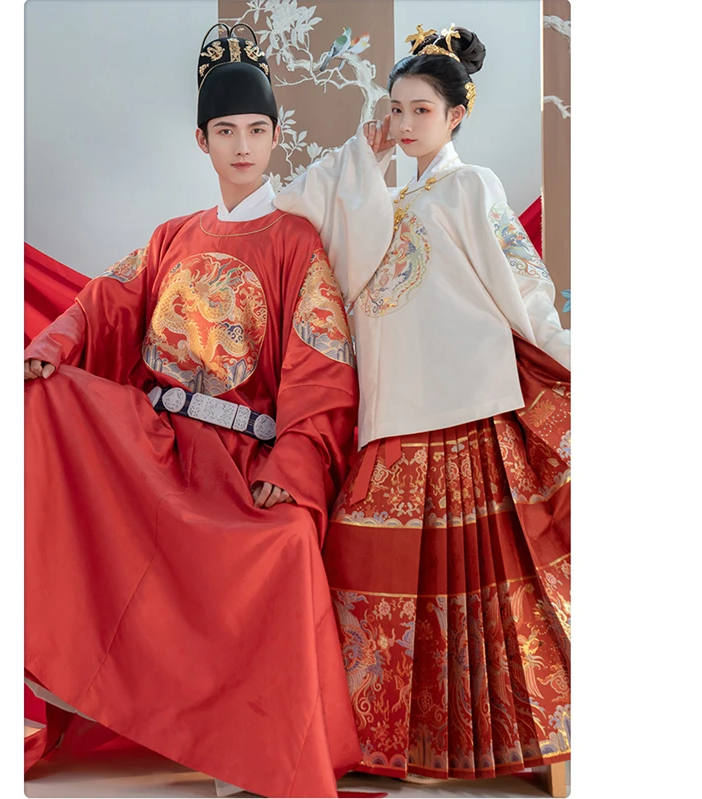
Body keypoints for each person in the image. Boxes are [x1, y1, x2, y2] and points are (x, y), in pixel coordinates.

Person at [23, 22, 362, 798]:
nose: (243, 146)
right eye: (226, 131)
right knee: (45, 402)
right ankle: (122, 691)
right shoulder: (171, 236)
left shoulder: (295, 242)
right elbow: (105, 302)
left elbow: (321, 365)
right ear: (202, 140)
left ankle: (251, 744)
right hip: (155, 443)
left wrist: (294, 463)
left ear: (275, 136)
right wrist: (56, 344)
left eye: (256, 130)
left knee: (284, 547)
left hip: (240, 460)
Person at [274, 23, 571, 783]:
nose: (405, 123)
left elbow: (522, 283)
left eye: (422, 111)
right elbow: (294, 211)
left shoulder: (471, 187)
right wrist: (367, 157)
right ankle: (382, 744)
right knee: (375, 576)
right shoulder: (380, 192)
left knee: (482, 591)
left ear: (455, 115)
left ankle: (493, 744)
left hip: (466, 406)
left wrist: (561, 352)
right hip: (393, 411)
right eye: (397, 109)